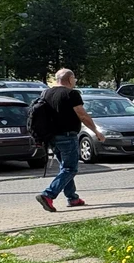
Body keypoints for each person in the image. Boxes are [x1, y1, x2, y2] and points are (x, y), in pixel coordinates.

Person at [35, 69, 106, 213]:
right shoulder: (71, 94)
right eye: (74, 79)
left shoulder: (46, 93)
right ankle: (48, 194)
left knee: (65, 167)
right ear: (70, 79)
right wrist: (96, 131)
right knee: (70, 169)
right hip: (67, 136)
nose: (75, 81)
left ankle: (72, 198)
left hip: (52, 137)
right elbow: (83, 115)